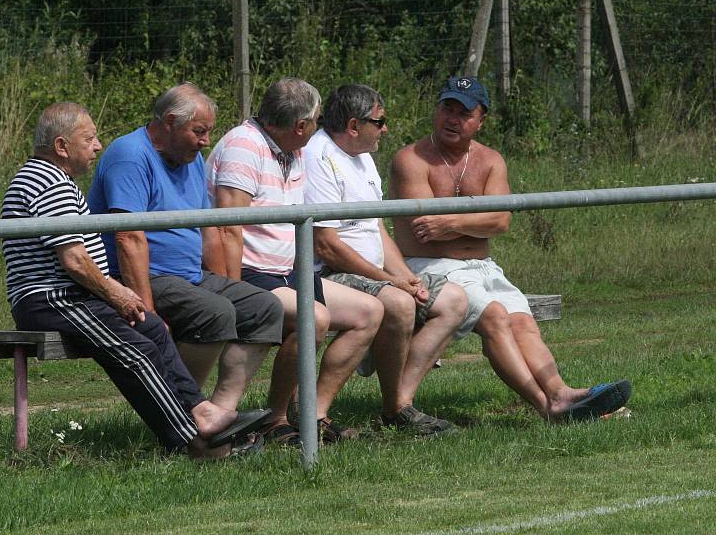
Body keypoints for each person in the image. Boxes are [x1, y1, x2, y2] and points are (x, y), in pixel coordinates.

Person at [2, 102, 264, 459]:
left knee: (152, 329)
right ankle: (193, 441)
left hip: (72, 295)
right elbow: (74, 259)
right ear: (61, 146)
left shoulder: (55, 179)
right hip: (53, 298)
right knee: (134, 351)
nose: (97, 147)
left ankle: (201, 410)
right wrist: (116, 292)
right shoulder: (48, 181)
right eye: (89, 139)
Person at [390, 77, 632, 421]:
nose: (453, 118)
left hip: (484, 266)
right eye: (447, 108)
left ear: (480, 121)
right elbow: (426, 228)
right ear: (437, 110)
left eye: (464, 112)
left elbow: (500, 221)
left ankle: (560, 393)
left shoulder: (490, 160)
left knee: (522, 322)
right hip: (430, 266)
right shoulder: (410, 159)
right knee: (494, 317)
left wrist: (453, 223)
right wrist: (475, 217)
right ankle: (551, 408)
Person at [87, 83, 284, 415]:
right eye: (199, 131)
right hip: (143, 277)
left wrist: (228, 286)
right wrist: (147, 315)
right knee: (215, 312)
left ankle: (222, 414)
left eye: (208, 132)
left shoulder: (191, 158)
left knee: (264, 307)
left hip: (189, 276)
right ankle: (180, 413)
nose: (206, 141)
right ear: (169, 122)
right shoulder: (130, 155)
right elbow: (128, 239)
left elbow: (208, 232)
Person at [207, 78, 385, 444]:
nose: (319, 127)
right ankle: (275, 421)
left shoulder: (295, 149)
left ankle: (312, 414)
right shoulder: (244, 146)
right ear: (300, 126)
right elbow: (228, 229)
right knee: (314, 317)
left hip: (288, 273)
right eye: (317, 121)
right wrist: (234, 293)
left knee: (369, 312)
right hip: (253, 275)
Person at [303, 84, 468, 436]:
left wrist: (407, 276)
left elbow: (376, 228)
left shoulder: (362, 156)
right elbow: (326, 245)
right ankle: (317, 414)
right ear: (352, 125)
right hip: (329, 274)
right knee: (397, 304)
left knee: (454, 300)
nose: (385, 128)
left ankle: (399, 405)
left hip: (372, 273)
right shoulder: (318, 157)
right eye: (379, 121)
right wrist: (388, 281)